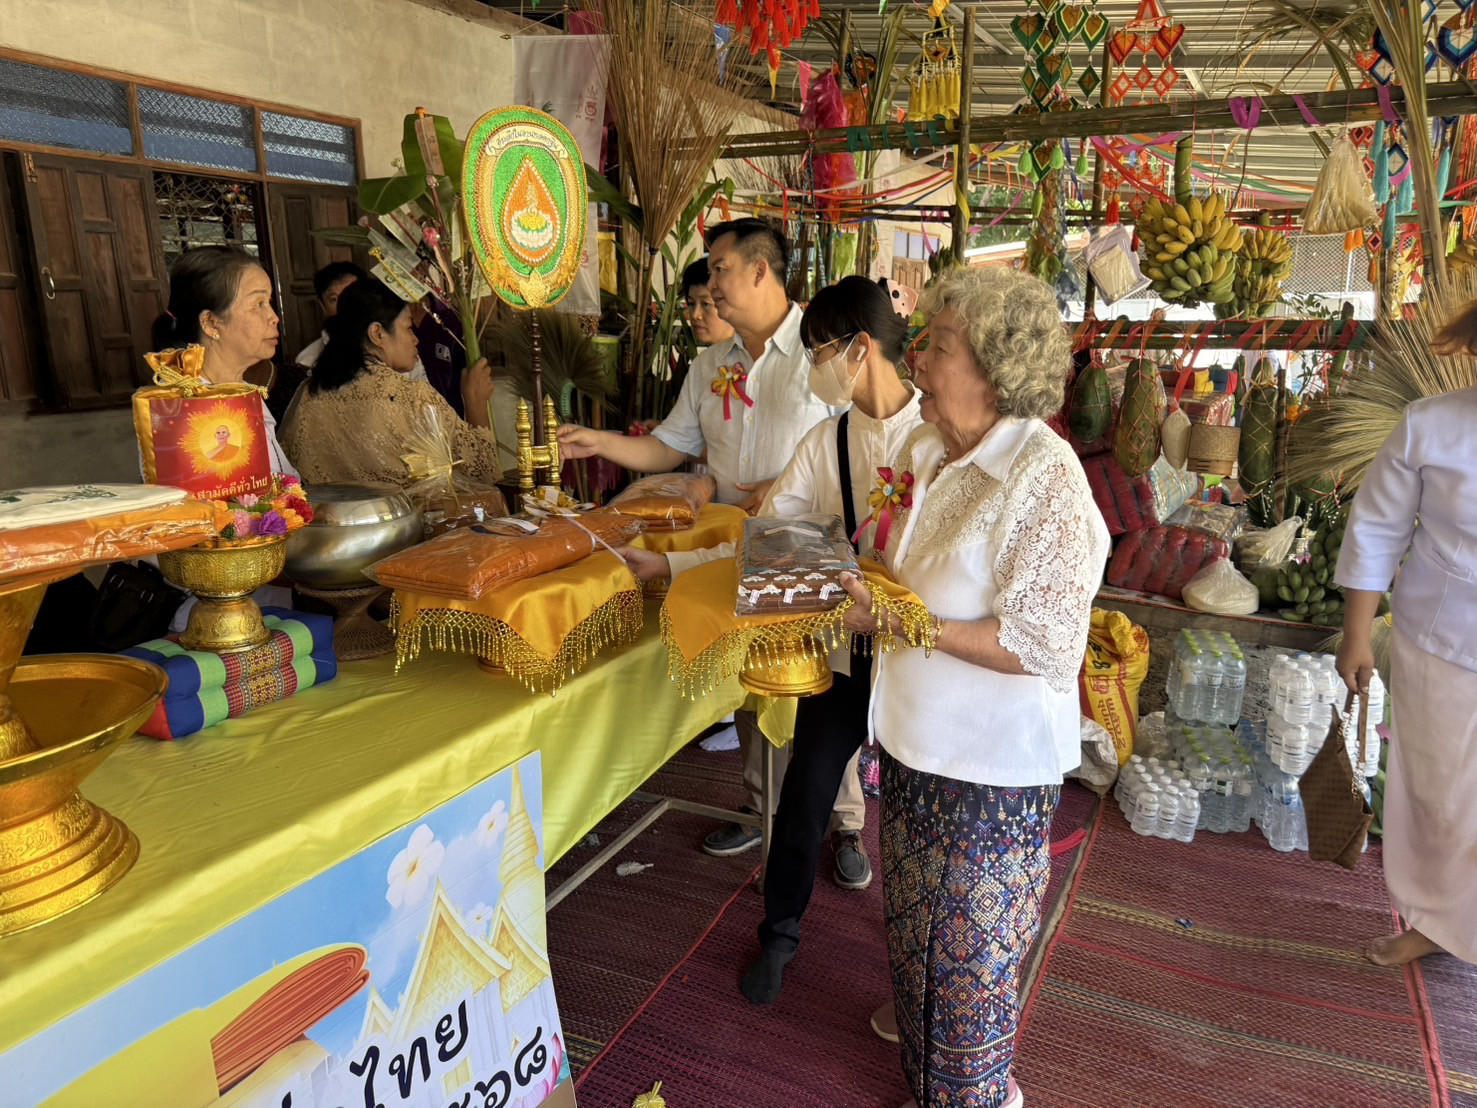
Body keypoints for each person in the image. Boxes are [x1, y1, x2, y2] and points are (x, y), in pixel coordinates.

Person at [837, 266, 1108, 1108]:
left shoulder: (1044, 479)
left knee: (970, 971)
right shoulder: (924, 448)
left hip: (993, 771)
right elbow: (889, 557)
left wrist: (902, 625)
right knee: (915, 932)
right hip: (916, 744)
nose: (914, 358)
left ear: (994, 373)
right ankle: (927, 1067)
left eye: (938, 347)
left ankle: (975, 1097)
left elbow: (1043, 644)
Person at [623, 277, 922, 1001]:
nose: (811, 364)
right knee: (804, 797)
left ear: (857, 349)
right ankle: (779, 935)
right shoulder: (828, 440)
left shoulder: (940, 442)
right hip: (845, 653)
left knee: (919, 830)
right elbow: (764, 543)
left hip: (924, 662)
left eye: (818, 348)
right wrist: (672, 564)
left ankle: (918, 966)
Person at [558, 220, 842, 858]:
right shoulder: (711, 363)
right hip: (730, 543)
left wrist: (789, 482)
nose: (709, 284)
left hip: (808, 543)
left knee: (820, 682)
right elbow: (671, 447)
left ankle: (845, 821)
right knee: (746, 678)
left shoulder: (819, 353)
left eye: (718, 268)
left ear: (759, 271)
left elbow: (849, 450)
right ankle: (762, 803)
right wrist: (599, 442)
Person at [1335, 305, 1477, 970]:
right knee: (1437, 797)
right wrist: (1355, 635)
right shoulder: (1431, 426)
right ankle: (1437, 924)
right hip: (1440, 644)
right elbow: (1375, 531)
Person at [280, 278, 498, 486]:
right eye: (408, 327)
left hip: (330, 524)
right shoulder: (412, 397)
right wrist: (475, 401)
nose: (416, 339)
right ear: (378, 333)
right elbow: (483, 473)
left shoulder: (308, 393)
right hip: (405, 524)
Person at [151, 246, 297, 479]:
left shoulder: (241, 391)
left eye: (268, 302)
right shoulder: (186, 408)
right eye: (258, 304)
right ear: (211, 323)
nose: (274, 317)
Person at [294, 261, 366, 368]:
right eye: (335, 299)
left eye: (352, 295)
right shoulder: (307, 361)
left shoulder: (392, 348)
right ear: (322, 306)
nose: (345, 305)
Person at [681, 256, 734, 349]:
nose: (695, 315)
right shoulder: (703, 362)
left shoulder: (755, 359)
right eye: (691, 303)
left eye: (705, 304)